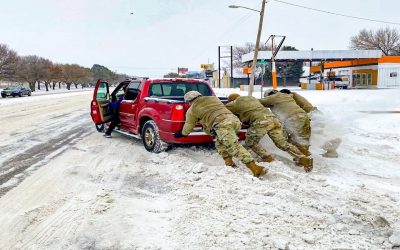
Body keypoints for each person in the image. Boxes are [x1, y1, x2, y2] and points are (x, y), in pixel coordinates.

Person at [174, 91, 267, 177]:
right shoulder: (214, 98)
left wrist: (182, 133)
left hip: (222, 124)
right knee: (220, 144)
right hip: (235, 121)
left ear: (189, 101)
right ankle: (229, 164)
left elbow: (189, 125)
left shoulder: (192, 110)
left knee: (233, 146)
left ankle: (255, 168)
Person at [226, 93, 313, 172]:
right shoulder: (252, 99)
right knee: (282, 143)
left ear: (231, 100)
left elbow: (223, 110)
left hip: (262, 121)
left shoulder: (234, 103)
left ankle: (267, 158)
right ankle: (303, 158)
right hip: (274, 120)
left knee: (250, 142)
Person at [261, 89, 312, 157]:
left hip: (292, 118)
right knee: (304, 139)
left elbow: (255, 103)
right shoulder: (286, 96)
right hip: (304, 116)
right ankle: (307, 156)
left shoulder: (272, 98)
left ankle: (303, 159)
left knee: (290, 139)